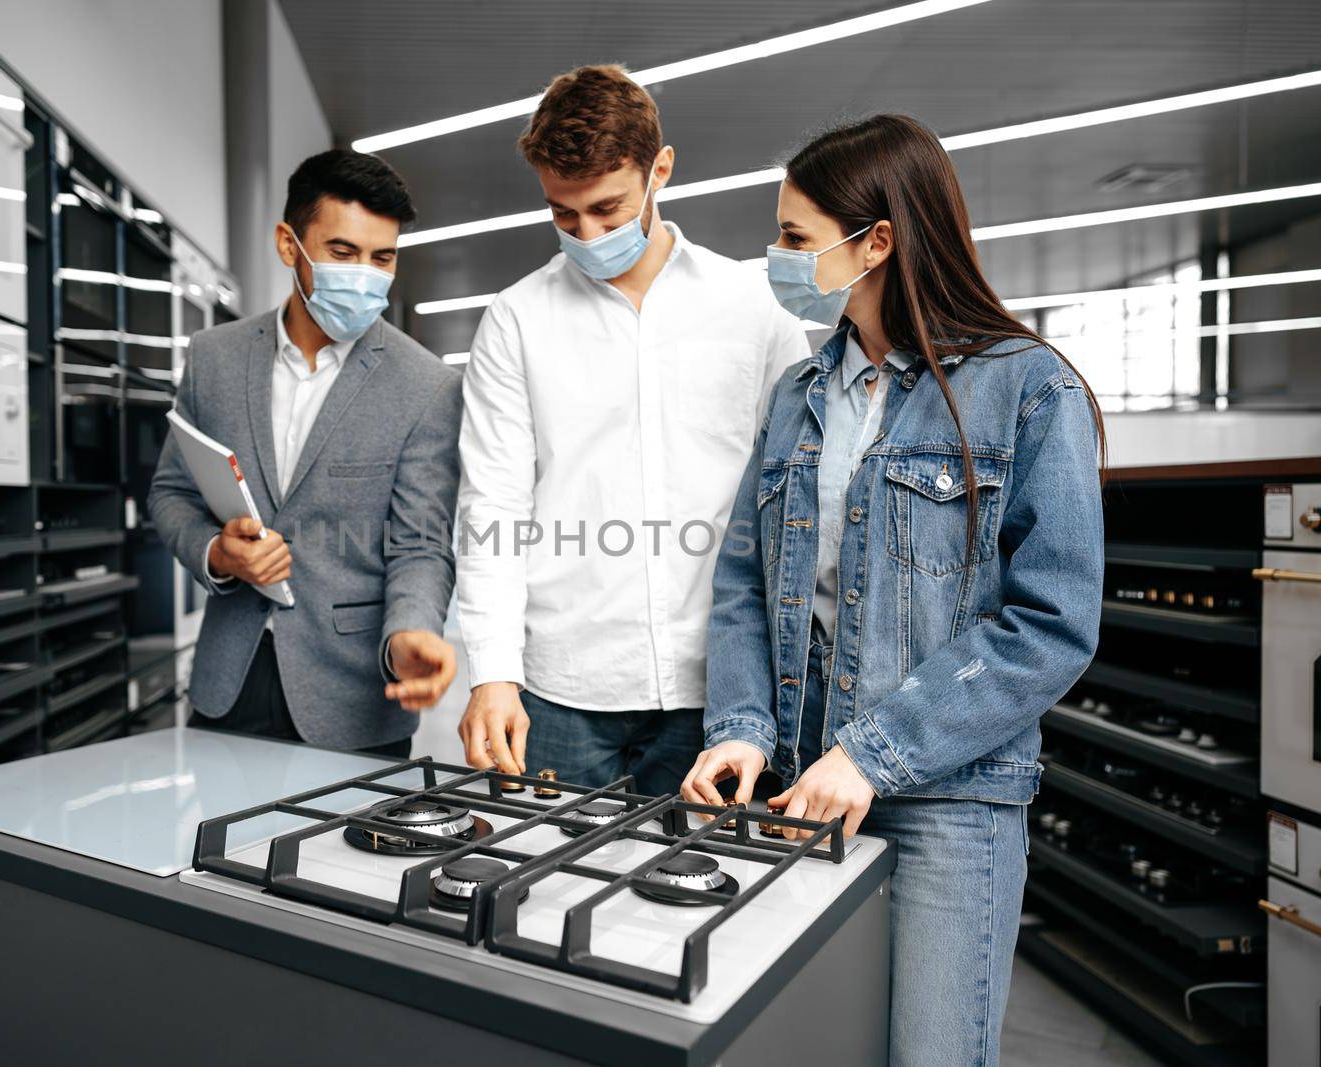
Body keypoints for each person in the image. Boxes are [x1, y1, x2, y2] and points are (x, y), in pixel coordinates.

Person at [680, 114, 1105, 1065]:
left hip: (949, 806)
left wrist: (873, 754)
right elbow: (749, 582)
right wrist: (743, 728)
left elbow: (1052, 624)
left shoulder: (1030, 390)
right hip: (799, 783)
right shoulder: (800, 393)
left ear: (875, 242)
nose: (777, 258)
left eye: (794, 238)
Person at [455, 65, 811, 795]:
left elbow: (793, 490)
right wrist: (491, 670)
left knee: (705, 898)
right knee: (547, 894)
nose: (586, 235)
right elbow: (491, 503)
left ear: (661, 171)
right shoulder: (517, 319)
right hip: (561, 687)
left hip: (719, 689)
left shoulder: (753, 306)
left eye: (609, 211)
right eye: (563, 214)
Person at [149, 149, 462, 758]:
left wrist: (412, 633)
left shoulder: (426, 386)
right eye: (343, 253)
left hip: (355, 695)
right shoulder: (214, 357)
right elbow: (171, 494)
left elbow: (420, 542)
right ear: (289, 244)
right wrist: (217, 553)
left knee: (340, 857)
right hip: (227, 685)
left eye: (383, 257)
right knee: (216, 853)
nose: (365, 274)